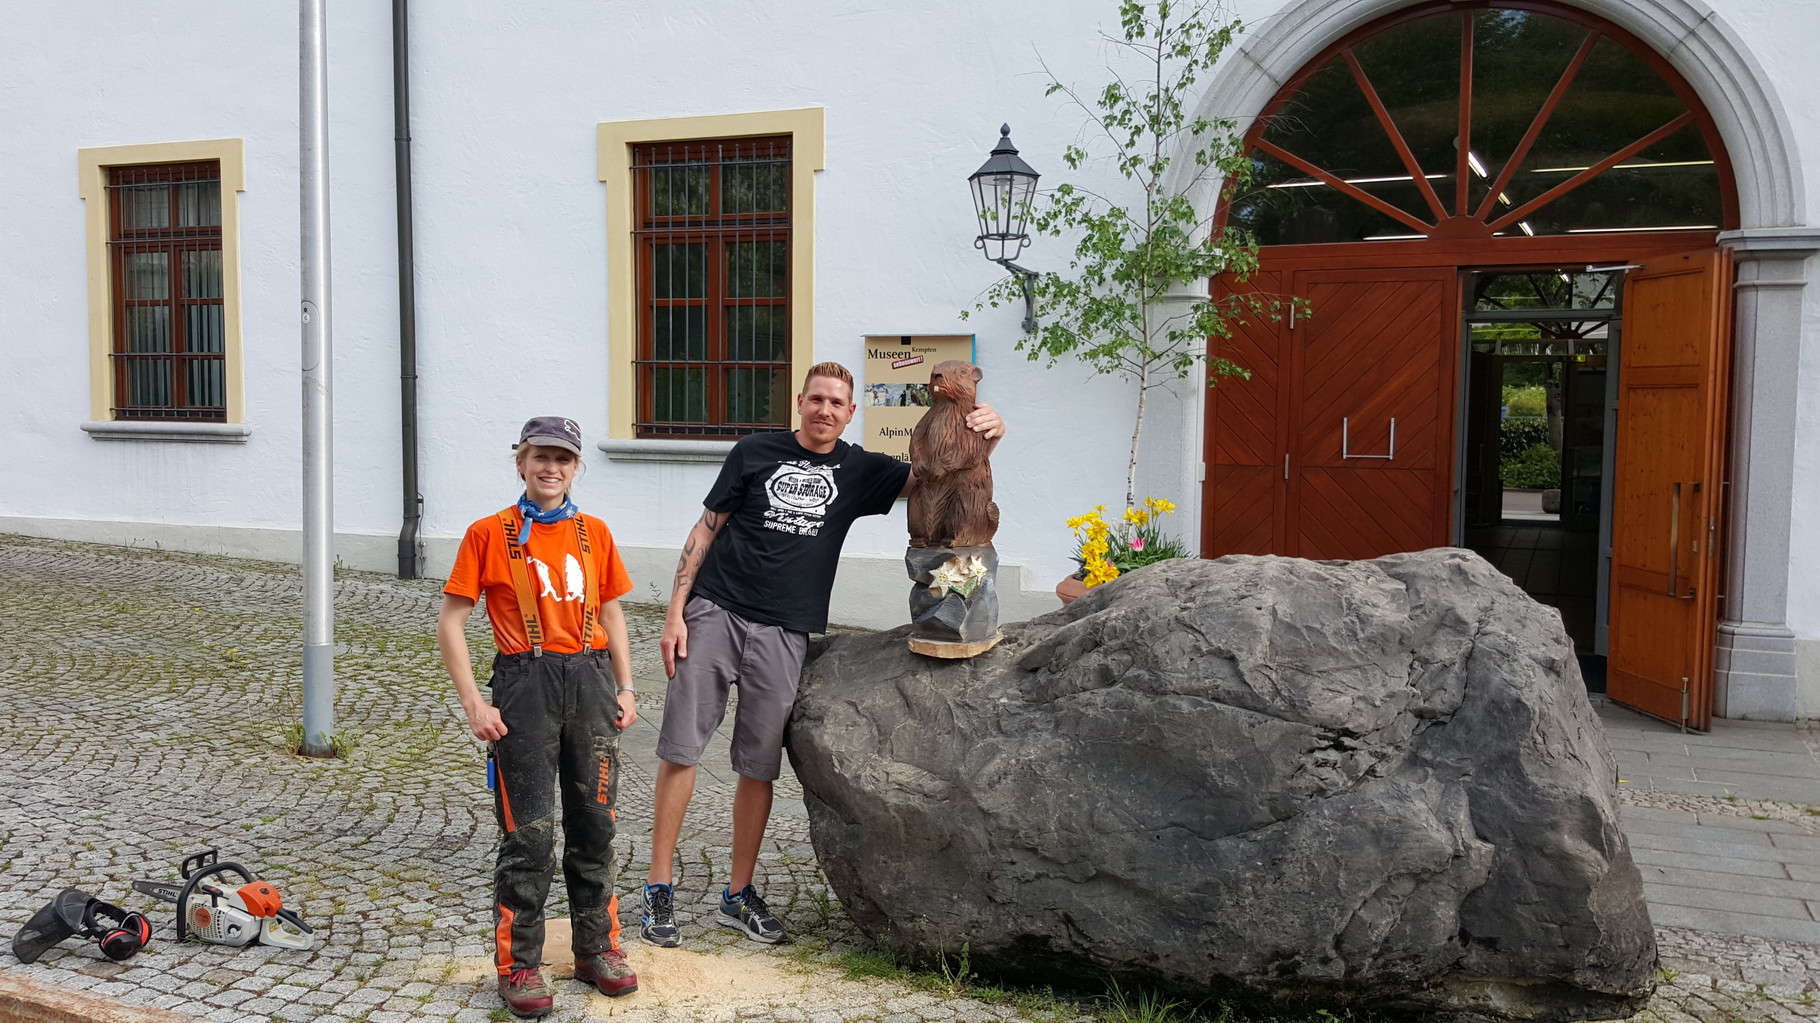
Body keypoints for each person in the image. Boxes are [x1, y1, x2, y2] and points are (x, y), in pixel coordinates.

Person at [639, 362, 1003, 947]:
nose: (826, 410)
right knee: (681, 749)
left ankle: (738, 894)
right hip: (717, 613)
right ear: (800, 403)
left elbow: (936, 473)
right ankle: (658, 888)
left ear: (850, 412)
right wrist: (676, 611)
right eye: (817, 400)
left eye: (838, 402)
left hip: (787, 632)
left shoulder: (857, 468)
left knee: (758, 766)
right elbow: (706, 529)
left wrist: (987, 430)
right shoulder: (755, 452)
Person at [437, 416, 641, 1018]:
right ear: (520, 463)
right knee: (528, 834)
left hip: (592, 679)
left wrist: (626, 688)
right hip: (523, 684)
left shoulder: (593, 532)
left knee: (594, 825)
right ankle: (519, 964)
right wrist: (475, 701)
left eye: (563, 459)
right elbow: (452, 622)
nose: (551, 468)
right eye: (539, 457)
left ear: (577, 468)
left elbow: (612, 611)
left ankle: (596, 951)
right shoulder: (486, 534)